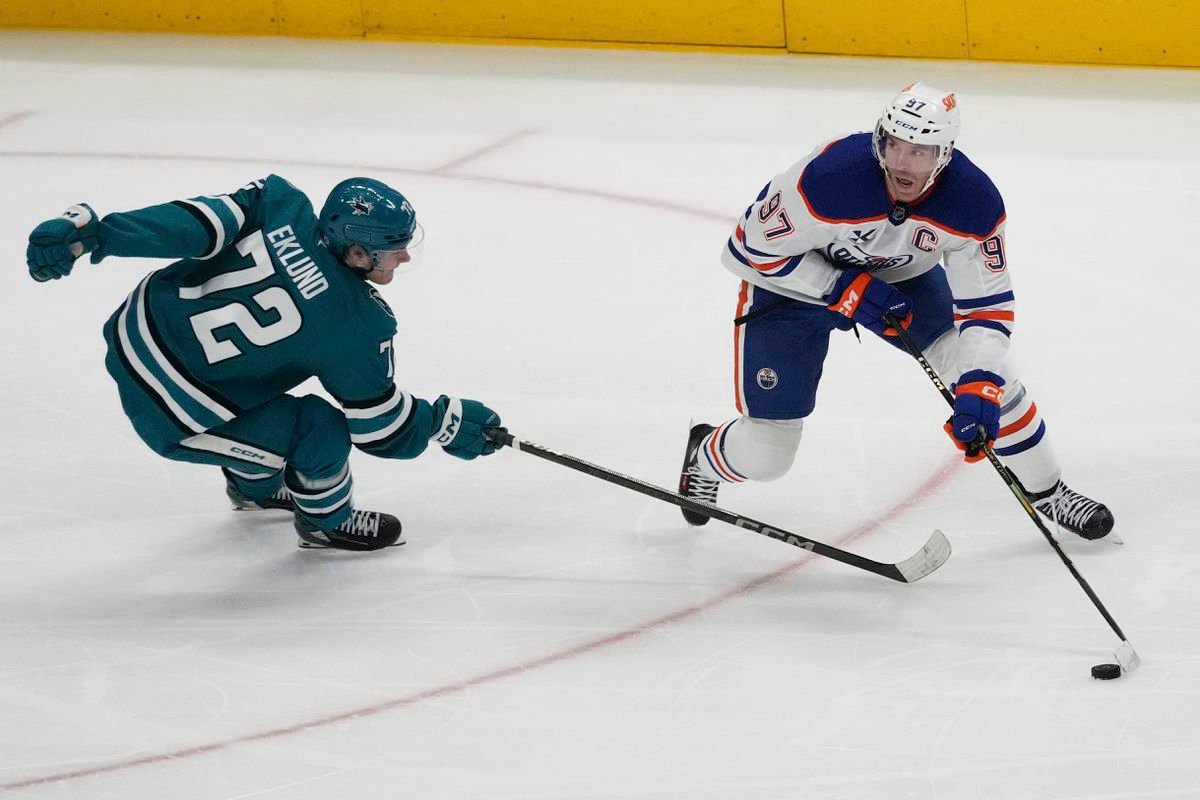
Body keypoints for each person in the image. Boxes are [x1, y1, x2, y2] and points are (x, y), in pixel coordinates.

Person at [678, 82, 1115, 541]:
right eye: (893, 145)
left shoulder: (973, 202)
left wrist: (978, 384)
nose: (901, 163)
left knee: (990, 381)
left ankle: (1049, 492)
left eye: (919, 152)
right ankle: (704, 456)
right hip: (790, 287)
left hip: (901, 279)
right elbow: (745, 249)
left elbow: (987, 306)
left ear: (944, 155)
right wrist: (839, 286)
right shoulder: (827, 178)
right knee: (768, 453)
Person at [26, 175, 502, 551]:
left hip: (135, 329)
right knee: (318, 428)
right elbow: (380, 428)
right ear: (358, 253)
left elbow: (191, 225)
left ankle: (254, 486)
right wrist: (442, 422)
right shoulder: (356, 324)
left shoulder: (277, 205)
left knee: (264, 390)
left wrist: (98, 235)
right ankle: (325, 523)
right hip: (172, 410)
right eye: (394, 248)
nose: (404, 256)